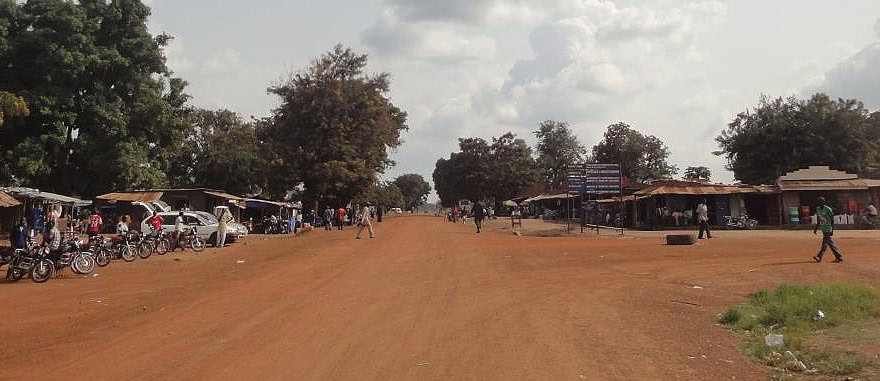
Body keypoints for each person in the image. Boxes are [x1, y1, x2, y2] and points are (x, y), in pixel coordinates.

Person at [813, 197, 843, 263]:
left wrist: (832, 230)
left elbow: (832, 220)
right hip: (823, 229)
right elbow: (819, 219)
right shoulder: (818, 209)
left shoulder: (828, 209)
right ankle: (839, 257)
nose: (820, 203)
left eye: (822, 201)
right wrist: (816, 228)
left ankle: (819, 256)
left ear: (824, 202)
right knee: (830, 244)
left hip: (828, 228)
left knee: (824, 244)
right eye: (819, 201)